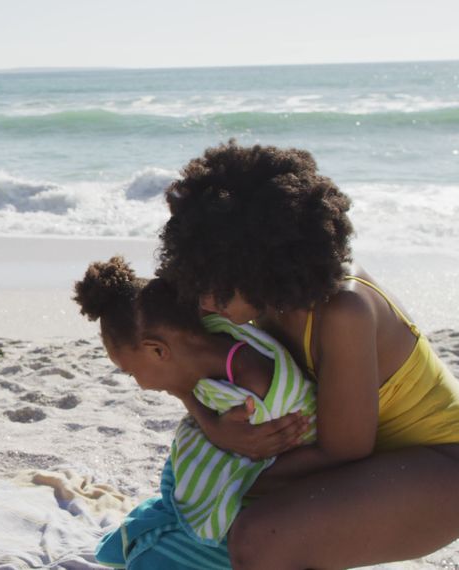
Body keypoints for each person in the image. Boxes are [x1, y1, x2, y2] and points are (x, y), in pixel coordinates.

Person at [156, 141, 459, 568]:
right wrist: (217, 431)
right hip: (375, 465)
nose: (203, 301)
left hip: (440, 467)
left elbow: (345, 450)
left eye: (215, 282)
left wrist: (232, 479)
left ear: (264, 265)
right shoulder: (247, 300)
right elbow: (175, 372)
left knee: (260, 536)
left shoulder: (342, 311)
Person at [74, 257, 315, 567]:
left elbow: (258, 464)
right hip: (250, 497)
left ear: (157, 351)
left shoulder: (256, 388)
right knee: (128, 547)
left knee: (146, 561)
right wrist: (215, 430)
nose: (141, 386)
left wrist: (219, 438)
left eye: (130, 372)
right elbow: (193, 397)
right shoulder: (206, 343)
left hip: (272, 514)